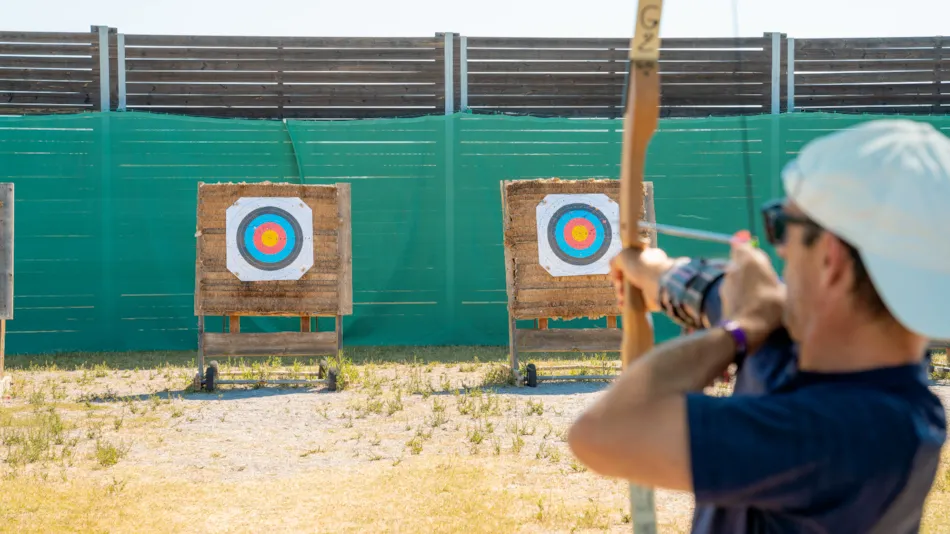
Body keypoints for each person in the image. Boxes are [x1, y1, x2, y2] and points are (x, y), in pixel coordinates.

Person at [567, 118, 950, 533]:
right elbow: (710, 292)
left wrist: (739, 329)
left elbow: (604, 434)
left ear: (831, 259)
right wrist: (646, 267)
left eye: (783, 227)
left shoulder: (855, 433)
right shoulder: (804, 336)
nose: (779, 249)